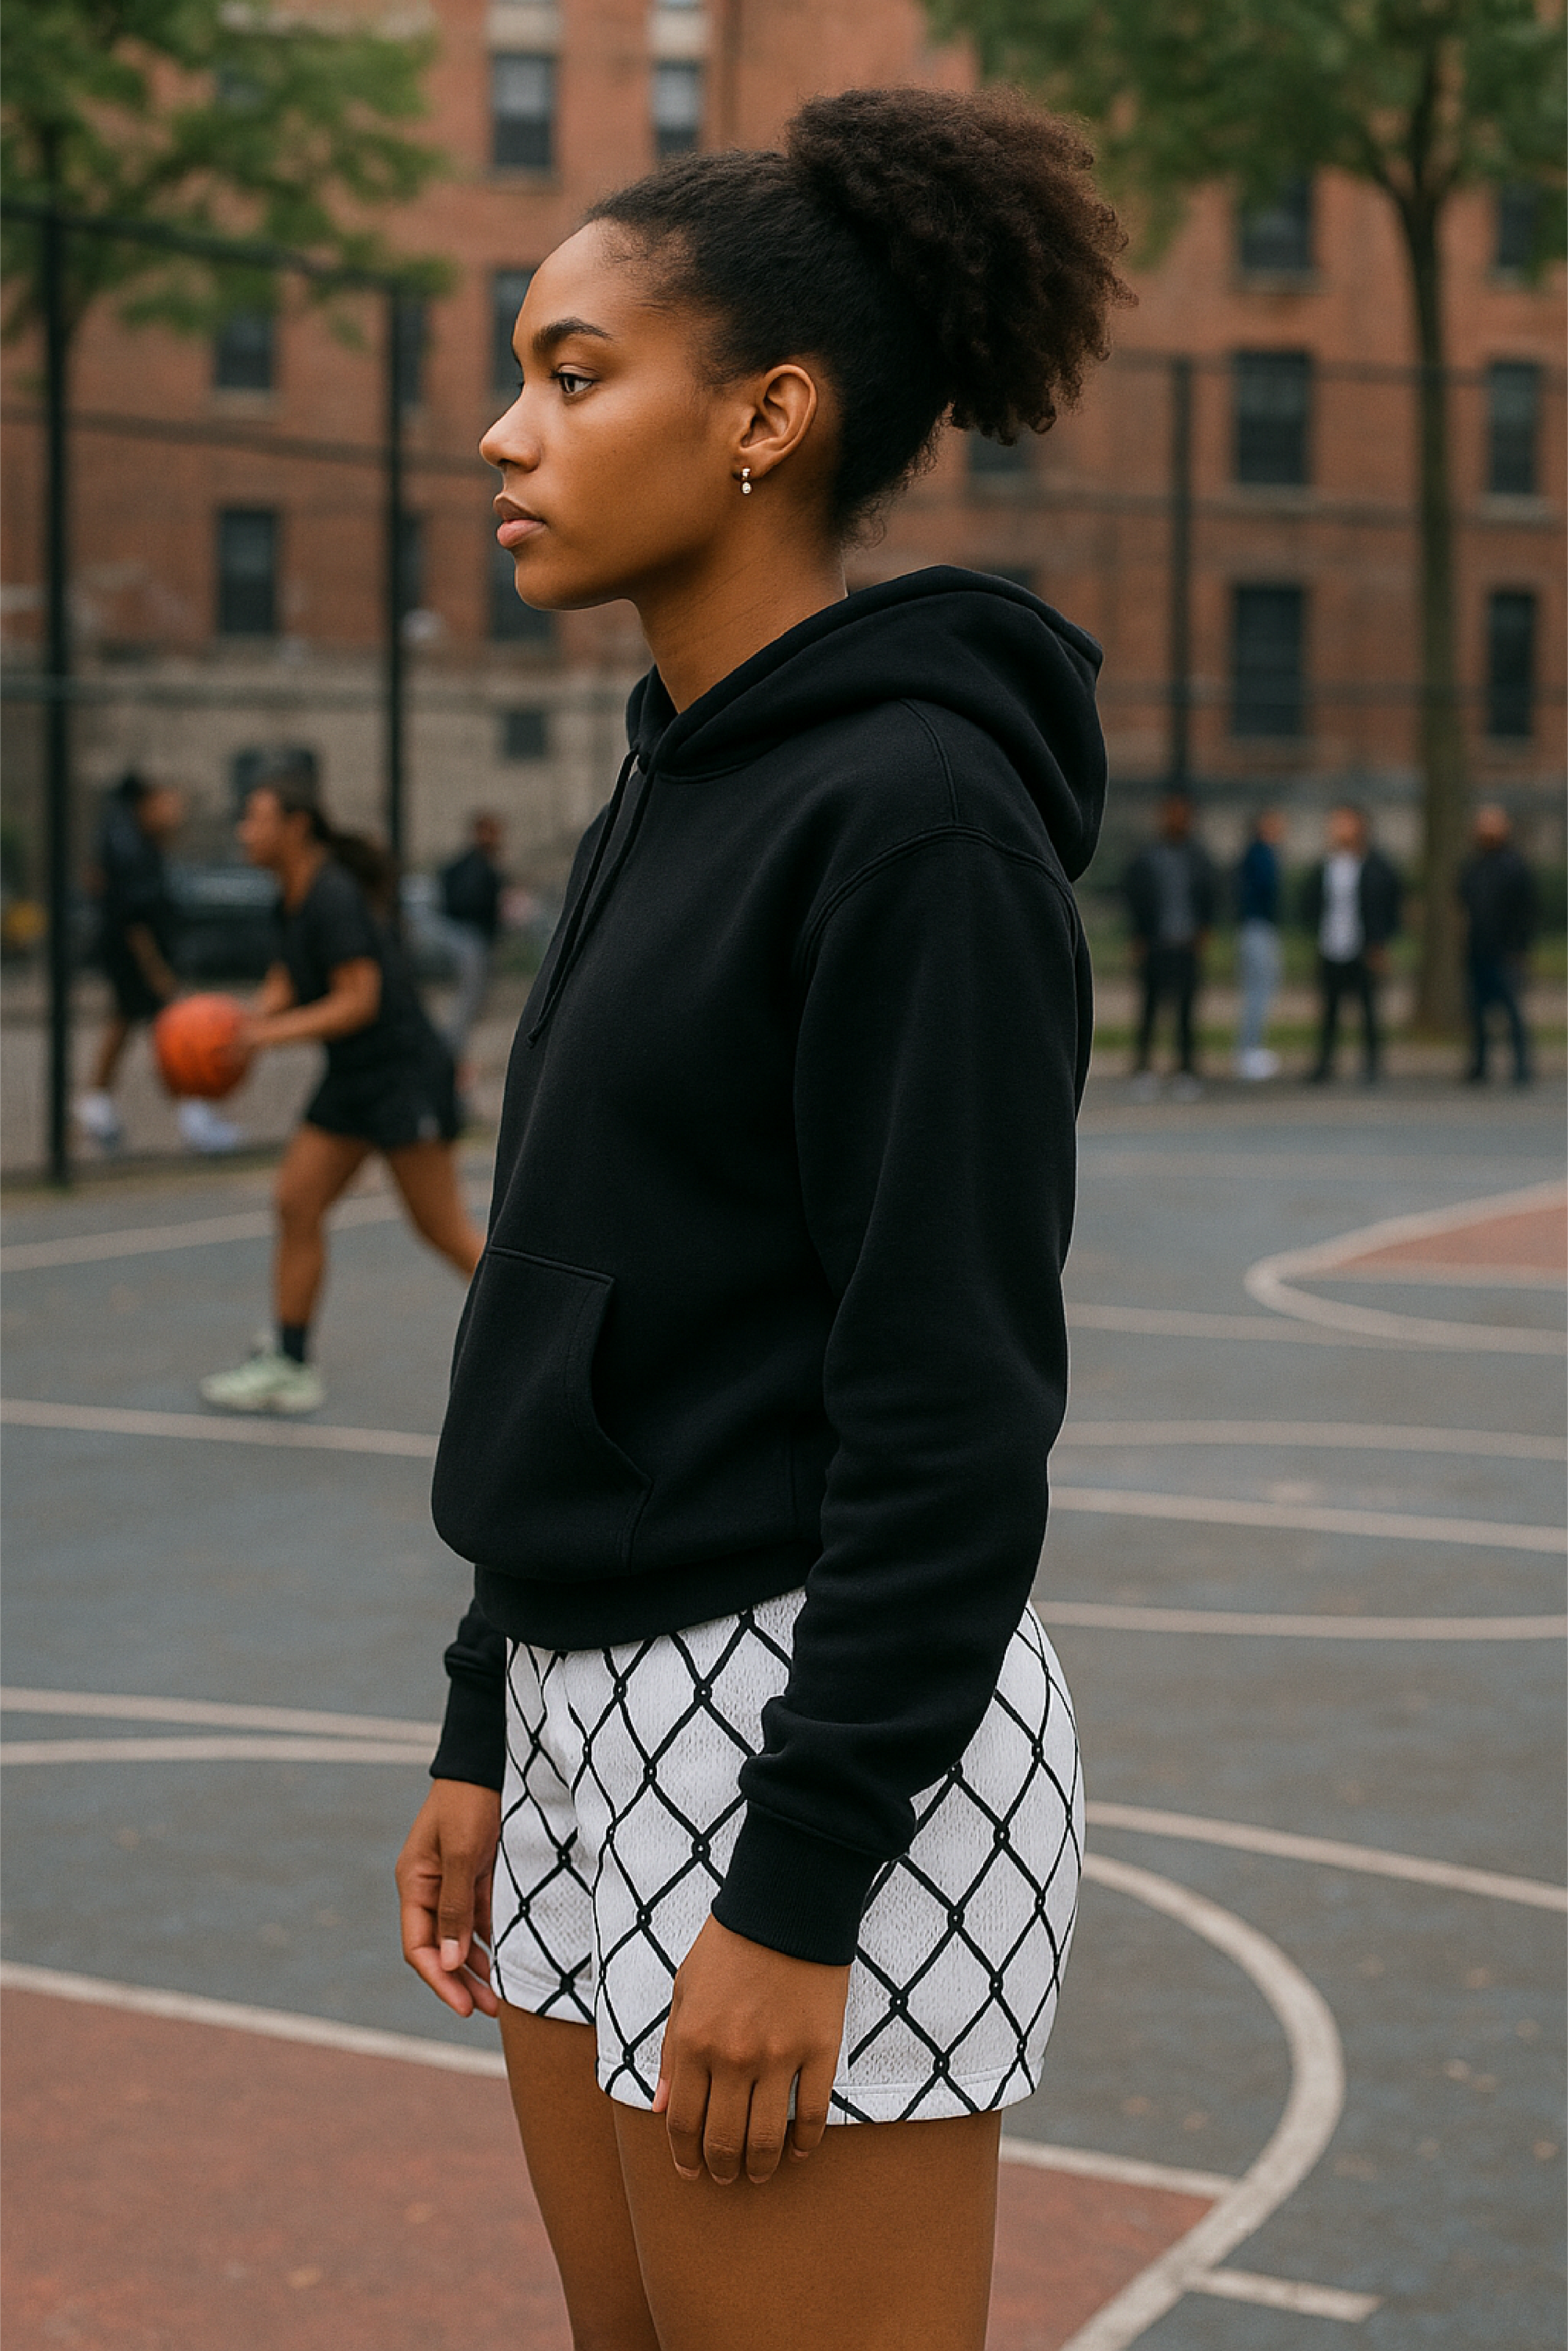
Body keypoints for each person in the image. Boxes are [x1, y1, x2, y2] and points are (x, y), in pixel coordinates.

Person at [393, 85, 1125, 2351]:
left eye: (576, 370)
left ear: (769, 414)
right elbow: (581, 1281)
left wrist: (803, 1887)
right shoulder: (670, 765)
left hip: (816, 1728)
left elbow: (952, 1404)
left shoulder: (914, 819)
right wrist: (485, 1707)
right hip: (589, 1698)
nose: (508, 434)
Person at [200, 774, 484, 1414]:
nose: (245, 831)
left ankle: (550, 1346)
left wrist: (266, 1036)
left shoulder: (332, 895)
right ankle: (292, 1362)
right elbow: (287, 977)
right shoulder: (293, 896)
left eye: (255, 819)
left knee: (444, 1231)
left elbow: (360, 1000)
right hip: (355, 1078)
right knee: (296, 1202)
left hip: (402, 1073)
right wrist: (233, 1030)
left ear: (295, 826)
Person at [76, 770, 241, 1156]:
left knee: (128, 1022)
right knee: (176, 1034)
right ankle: (194, 1116)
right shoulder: (130, 848)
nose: (175, 811)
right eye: (167, 802)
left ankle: (97, 1104)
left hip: (134, 954)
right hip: (138, 957)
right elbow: (134, 919)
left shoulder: (138, 843)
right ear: (146, 804)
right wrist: (157, 971)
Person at [1122, 791, 1215, 1098]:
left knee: (1186, 1013)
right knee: (1149, 1010)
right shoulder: (1148, 858)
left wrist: (1204, 929)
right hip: (1156, 943)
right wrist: (1138, 936)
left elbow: (1211, 895)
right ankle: (1144, 1069)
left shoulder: (1198, 858)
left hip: (1186, 944)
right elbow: (1134, 896)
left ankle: (1186, 1070)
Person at [1302, 804, 1402, 1083]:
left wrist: (1380, 943)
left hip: (1363, 948)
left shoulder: (1376, 866)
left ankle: (1372, 1065)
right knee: (1330, 1011)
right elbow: (1312, 903)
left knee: (1368, 1010)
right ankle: (1325, 1063)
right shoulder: (1327, 865)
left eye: (1344, 823)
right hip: (1331, 946)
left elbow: (1388, 905)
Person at [1459, 804, 1536, 1086]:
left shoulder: (1514, 867)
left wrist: (1519, 949)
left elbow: (1526, 911)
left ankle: (1522, 1066)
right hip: (1477, 949)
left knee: (1511, 1011)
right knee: (1477, 1013)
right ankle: (1479, 1065)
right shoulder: (1473, 867)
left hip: (1505, 952)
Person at [437, 811, 506, 1064]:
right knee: (469, 995)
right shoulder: (475, 867)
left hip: (473, 936)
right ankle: (451, 1047)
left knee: (474, 996)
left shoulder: (479, 864)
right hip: (469, 936)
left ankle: (453, 1046)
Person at [1233, 808, 1285, 1081]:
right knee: (1258, 990)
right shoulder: (1260, 855)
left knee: (1262, 989)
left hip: (1259, 926)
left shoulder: (1261, 854)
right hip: (1257, 927)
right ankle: (1247, 1051)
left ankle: (1251, 1048)